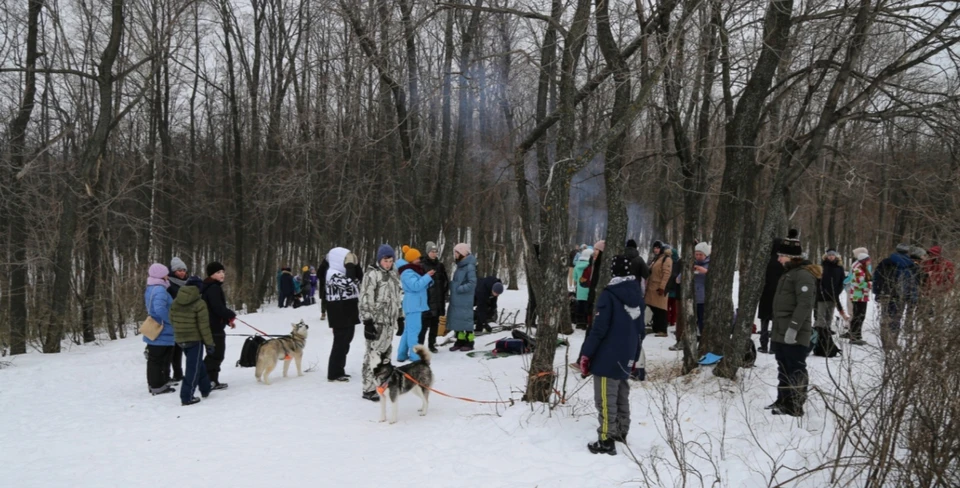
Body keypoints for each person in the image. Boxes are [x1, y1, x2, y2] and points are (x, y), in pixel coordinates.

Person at [578, 255, 644, 455]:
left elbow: (599, 329)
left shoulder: (610, 294)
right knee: (621, 394)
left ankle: (606, 439)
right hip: (627, 354)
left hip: (608, 355)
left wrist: (586, 354)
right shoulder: (637, 295)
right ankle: (621, 431)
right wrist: (635, 355)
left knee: (606, 398)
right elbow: (641, 330)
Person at [768, 234, 820, 417]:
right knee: (783, 365)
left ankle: (795, 404)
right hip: (781, 329)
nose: (778, 258)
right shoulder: (789, 273)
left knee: (795, 367)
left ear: (791, 257)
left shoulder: (803, 275)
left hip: (795, 331)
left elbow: (805, 304)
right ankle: (783, 399)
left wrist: (794, 328)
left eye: (781, 255)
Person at [359, 245, 403, 401]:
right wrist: (367, 321)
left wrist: (400, 317)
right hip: (377, 322)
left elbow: (398, 297)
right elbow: (365, 298)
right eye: (385, 260)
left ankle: (383, 382)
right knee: (373, 355)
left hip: (390, 323)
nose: (388, 263)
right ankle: (368, 388)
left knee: (386, 355)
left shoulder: (393, 274)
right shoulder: (372, 275)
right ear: (379, 260)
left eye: (391, 260)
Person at [170, 276, 214, 406]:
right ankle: (187, 396)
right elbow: (204, 326)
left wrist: (179, 331)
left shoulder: (176, 301)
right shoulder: (199, 303)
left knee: (197, 364)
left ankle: (205, 388)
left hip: (180, 338)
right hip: (194, 340)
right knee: (192, 369)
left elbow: (171, 319)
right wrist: (209, 343)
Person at [324, 247, 362, 382]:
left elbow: (358, 282)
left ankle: (340, 369)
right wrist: (351, 268)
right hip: (339, 311)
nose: (348, 263)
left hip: (348, 308)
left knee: (347, 340)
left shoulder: (342, 272)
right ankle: (334, 372)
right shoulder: (332, 274)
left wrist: (356, 266)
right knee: (340, 342)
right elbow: (348, 285)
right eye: (346, 259)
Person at [200, 262, 236, 390]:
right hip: (213, 327)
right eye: (218, 273)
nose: (222, 275)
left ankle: (211, 379)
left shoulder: (210, 286)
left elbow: (215, 309)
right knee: (216, 354)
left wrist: (227, 320)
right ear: (211, 274)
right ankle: (208, 380)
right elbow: (218, 308)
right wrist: (231, 314)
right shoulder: (213, 288)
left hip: (213, 325)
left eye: (222, 272)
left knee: (215, 354)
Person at [397, 246, 434, 362]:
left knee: (408, 330)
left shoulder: (411, 270)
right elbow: (415, 286)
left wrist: (427, 278)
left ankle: (402, 354)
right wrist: (427, 276)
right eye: (417, 258)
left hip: (414, 304)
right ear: (411, 260)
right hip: (413, 305)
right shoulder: (407, 272)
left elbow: (419, 284)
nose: (419, 260)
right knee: (414, 331)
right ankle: (414, 356)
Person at [873, 243, 916, 344]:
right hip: (900, 295)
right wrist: (911, 296)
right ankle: (892, 341)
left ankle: (884, 340)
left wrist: (876, 292)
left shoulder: (886, 262)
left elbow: (876, 277)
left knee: (885, 316)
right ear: (907, 252)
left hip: (885, 293)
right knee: (896, 317)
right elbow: (912, 282)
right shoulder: (911, 265)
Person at [671, 242, 710, 350]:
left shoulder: (709, 264)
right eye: (696, 254)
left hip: (703, 298)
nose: (698, 256)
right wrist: (681, 276)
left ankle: (703, 342)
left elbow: (715, 277)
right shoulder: (691, 263)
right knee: (690, 320)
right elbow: (679, 278)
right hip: (691, 298)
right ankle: (688, 342)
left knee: (702, 320)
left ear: (706, 254)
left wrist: (706, 272)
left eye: (700, 254)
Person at [145, 263, 176, 396]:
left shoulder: (152, 288)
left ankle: (161, 382)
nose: (167, 276)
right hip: (162, 329)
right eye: (165, 273)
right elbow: (159, 309)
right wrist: (169, 321)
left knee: (161, 357)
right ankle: (157, 385)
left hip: (158, 328)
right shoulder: (160, 290)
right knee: (157, 359)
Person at [757, 235, 787, 354]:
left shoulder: (766, 260)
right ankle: (774, 346)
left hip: (766, 291)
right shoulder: (782, 261)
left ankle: (763, 344)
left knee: (764, 319)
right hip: (779, 292)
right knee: (776, 319)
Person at [419, 242, 449, 353]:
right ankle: (420, 346)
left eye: (436, 252)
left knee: (434, 325)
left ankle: (432, 344)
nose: (434, 254)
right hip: (426, 300)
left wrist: (444, 293)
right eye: (432, 251)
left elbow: (445, 281)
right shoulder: (422, 265)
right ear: (427, 252)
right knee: (423, 326)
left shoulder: (440, 266)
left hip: (438, 299)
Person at [448, 243, 478, 351]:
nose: (455, 255)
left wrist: (458, 289)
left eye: (456, 252)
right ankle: (460, 341)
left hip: (465, 299)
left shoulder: (469, 266)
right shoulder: (460, 266)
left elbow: (472, 283)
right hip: (458, 299)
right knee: (458, 321)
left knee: (467, 321)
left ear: (462, 253)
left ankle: (470, 342)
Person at [166, 257, 192, 381]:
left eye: (183, 270)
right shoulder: (169, 284)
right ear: (173, 271)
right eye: (179, 270)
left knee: (180, 347)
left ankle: (178, 373)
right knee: (174, 348)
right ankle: (174, 373)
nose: (182, 273)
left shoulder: (188, 282)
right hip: (175, 318)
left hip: (186, 318)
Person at [815, 249, 849, 336]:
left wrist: (838, 291)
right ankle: (820, 331)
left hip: (834, 294)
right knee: (821, 315)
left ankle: (827, 329)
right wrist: (820, 290)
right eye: (829, 255)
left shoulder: (839, 267)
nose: (831, 256)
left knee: (829, 314)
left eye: (833, 255)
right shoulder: (822, 266)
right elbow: (817, 281)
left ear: (836, 256)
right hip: (822, 295)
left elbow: (842, 281)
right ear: (826, 256)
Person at [645, 243, 673, 337]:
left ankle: (662, 330)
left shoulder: (667, 259)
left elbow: (666, 274)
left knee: (661, 309)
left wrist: (662, 287)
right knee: (654, 308)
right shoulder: (657, 258)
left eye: (658, 248)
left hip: (658, 288)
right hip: (652, 287)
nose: (655, 250)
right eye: (654, 248)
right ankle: (656, 327)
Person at [844, 248, 871, 345]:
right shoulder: (858, 270)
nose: (869, 262)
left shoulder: (863, 269)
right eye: (868, 260)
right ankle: (854, 336)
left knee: (860, 315)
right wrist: (869, 285)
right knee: (859, 315)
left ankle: (856, 335)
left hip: (862, 295)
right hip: (858, 296)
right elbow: (857, 284)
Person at [573, 248, 593, 328]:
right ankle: (585, 322)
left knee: (579, 306)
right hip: (588, 289)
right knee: (587, 306)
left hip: (579, 289)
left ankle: (579, 322)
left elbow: (574, 278)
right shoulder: (591, 266)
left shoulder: (577, 266)